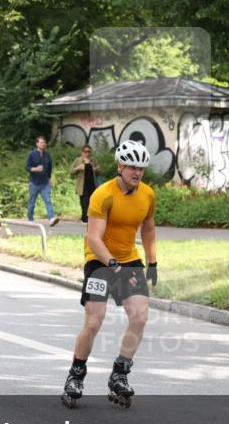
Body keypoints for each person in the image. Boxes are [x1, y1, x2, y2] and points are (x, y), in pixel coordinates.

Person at [61, 140, 157, 409]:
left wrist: (153, 263)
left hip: (128, 261)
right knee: (94, 321)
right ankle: (76, 375)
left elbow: (148, 230)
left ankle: (120, 373)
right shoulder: (103, 194)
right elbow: (94, 238)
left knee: (140, 316)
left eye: (141, 168)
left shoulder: (147, 195)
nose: (136, 172)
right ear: (120, 166)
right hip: (100, 262)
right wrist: (114, 266)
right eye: (131, 167)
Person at [25, 135, 60, 226]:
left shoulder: (47, 155)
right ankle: (30, 218)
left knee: (48, 200)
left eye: (44, 143)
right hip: (34, 183)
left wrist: (49, 179)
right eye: (41, 142)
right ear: (37, 144)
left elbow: (50, 168)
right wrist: (35, 169)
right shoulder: (31, 154)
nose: (43, 144)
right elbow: (27, 167)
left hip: (45, 183)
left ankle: (52, 218)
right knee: (32, 201)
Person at [69, 145, 101, 223]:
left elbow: (99, 171)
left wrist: (96, 169)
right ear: (82, 152)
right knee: (84, 202)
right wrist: (78, 168)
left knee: (92, 202)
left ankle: (90, 218)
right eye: (85, 151)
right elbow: (71, 171)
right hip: (82, 186)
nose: (87, 153)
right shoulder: (78, 160)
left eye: (89, 151)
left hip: (92, 185)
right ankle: (84, 218)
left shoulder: (93, 160)